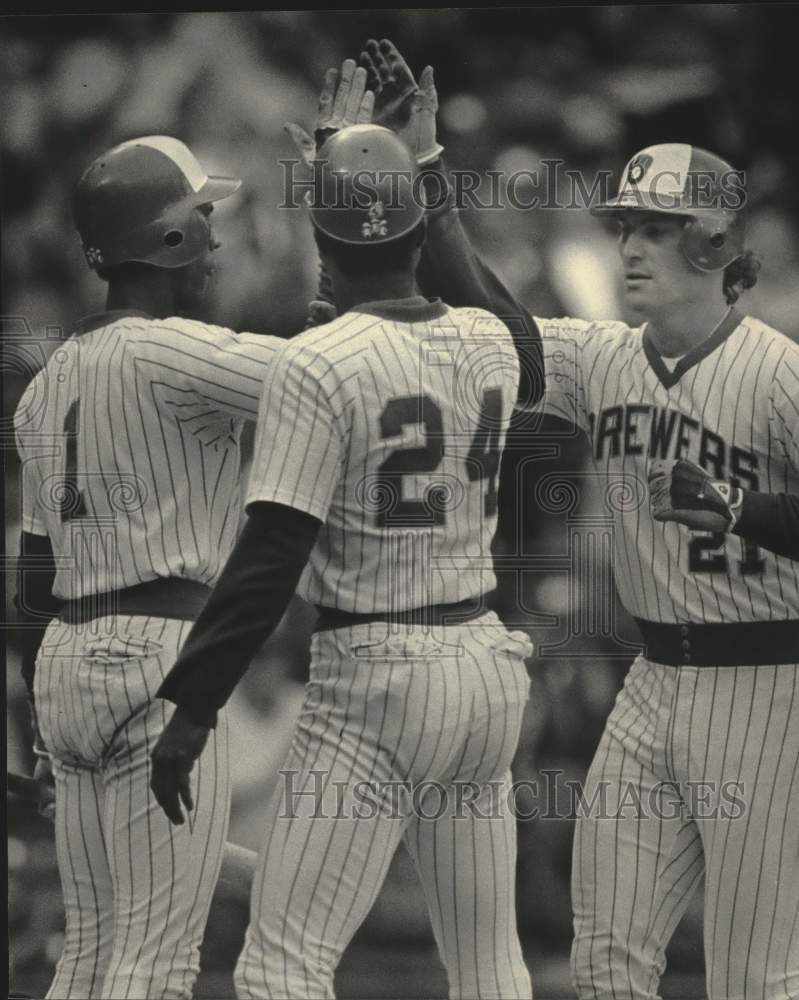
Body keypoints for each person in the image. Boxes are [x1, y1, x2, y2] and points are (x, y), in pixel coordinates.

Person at [356, 42, 799, 1000]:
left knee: (756, 983)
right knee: (606, 970)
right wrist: (428, 175)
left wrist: (745, 508)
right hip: (652, 682)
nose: (630, 246)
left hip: (767, 685)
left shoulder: (784, 371)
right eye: (624, 227)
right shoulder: (605, 356)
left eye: (655, 227)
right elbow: (495, 322)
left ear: (712, 243)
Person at [11, 64, 375, 999]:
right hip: (162, 655)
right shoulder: (177, 352)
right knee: (156, 961)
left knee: (90, 955)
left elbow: (29, 587)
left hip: (66, 663)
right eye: (204, 222)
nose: (216, 241)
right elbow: (342, 369)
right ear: (168, 236)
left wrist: (44, 729)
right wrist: (350, 184)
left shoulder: (48, 382)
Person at [149, 124, 536, 1000]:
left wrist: (192, 703)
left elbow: (272, 551)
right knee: (488, 965)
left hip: (377, 679)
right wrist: (419, 182)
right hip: (483, 664)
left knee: (283, 967)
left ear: (324, 244)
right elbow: (522, 340)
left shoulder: (317, 359)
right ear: (415, 234)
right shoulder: (486, 340)